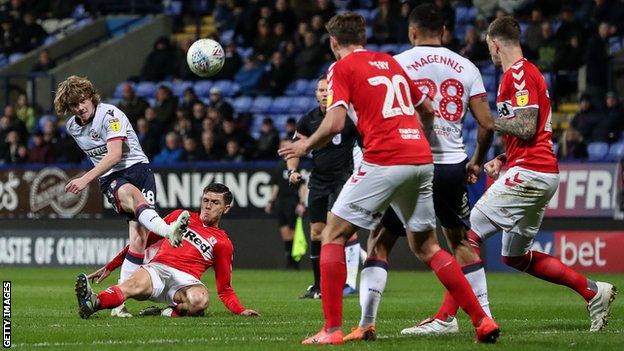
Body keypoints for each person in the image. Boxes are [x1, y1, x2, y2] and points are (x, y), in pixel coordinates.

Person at [279, 12, 499, 345]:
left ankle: (332, 329)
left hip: (384, 158)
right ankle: (482, 321)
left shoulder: (341, 68)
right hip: (422, 157)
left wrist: (306, 143)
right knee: (428, 246)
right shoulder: (388, 62)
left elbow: (337, 122)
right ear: (363, 38)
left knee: (332, 235)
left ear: (333, 42)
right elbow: (427, 110)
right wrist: (413, 137)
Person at [346, 3, 496, 340]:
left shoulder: (397, 64)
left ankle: (367, 322)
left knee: (381, 242)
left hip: (410, 162)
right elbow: (486, 125)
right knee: (459, 241)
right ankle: (484, 315)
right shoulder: (467, 66)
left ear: (412, 31)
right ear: (444, 31)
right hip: (453, 164)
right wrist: (476, 160)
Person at [474, 16, 615, 332]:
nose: (491, 54)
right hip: (535, 169)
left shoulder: (520, 74)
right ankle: (592, 291)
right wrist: (502, 157)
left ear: (495, 44)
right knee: (514, 256)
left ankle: (464, 318)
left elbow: (525, 127)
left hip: (531, 172)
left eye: (490, 47)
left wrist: (488, 121)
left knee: (466, 237)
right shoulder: (518, 75)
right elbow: (532, 132)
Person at [56, 75, 190, 318]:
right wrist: (91, 178)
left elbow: (115, 153)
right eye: (73, 105)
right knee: (132, 196)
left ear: (90, 97)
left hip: (139, 168)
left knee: (138, 239)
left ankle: (118, 304)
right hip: (112, 177)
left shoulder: (111, 115)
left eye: (82, 101)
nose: (79, 108)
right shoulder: (73, 127)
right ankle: (169, 231)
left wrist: (84, 178)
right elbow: (108, 162)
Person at [76, 183, 259, 318]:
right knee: (132, 286)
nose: (208, 206)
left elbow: (224, 288)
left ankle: (166, 313)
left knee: (200, 300)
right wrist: (111, 265)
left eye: (215, 203)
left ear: (226, 208)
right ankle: (93, 302)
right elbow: (142, 241)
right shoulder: (180, 216)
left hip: (185, 282)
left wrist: (240, 310)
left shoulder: (223, 242)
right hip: (158, 268)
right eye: (205, 200)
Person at [287, 74, 362, 300]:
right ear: (315, 94)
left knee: (340, 230)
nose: (324, 94)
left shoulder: (349, 118)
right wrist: (292, 171)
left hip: (343, 179)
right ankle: (318, 286)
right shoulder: (308, 120)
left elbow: (367, 142)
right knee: (317, 232)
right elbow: (295, 149)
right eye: (320, 90)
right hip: (319, 181)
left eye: (328, 90)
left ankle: (346, 282)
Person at [265, 139, 307, 269]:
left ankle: (295, 263)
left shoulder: (296, 165)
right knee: (285, 232)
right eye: (283, 146)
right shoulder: (278, 166)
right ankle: (289, 261)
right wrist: (271, 201)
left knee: (294, 232)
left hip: (293, 202)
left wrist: (302, 203)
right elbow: (276, 186)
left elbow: (302, 186)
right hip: (281, 202)